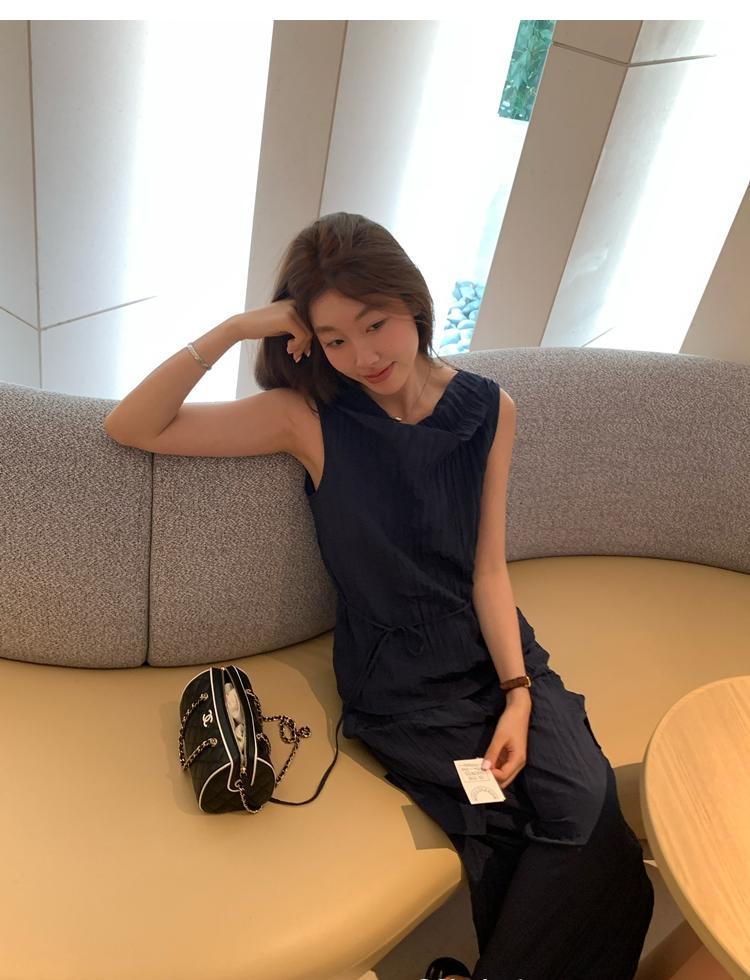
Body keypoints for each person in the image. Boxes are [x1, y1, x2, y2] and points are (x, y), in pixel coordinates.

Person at [103, 212, 655, 980]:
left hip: (494, 654)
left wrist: (519, 694)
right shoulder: (309, 417)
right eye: (334, 339)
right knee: (508, 831)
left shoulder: (490, 410)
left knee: (589, 808)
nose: (362, 355)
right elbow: (133, 425)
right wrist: (233, 329)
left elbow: (488, 571)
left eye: (375, 324)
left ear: (413, 305)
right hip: (398, 681)